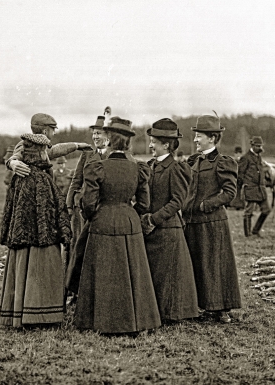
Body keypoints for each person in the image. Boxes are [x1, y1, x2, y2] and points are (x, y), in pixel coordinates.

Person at [0, 113, 90, 328]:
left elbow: (53, 150)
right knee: (40, 244)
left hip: (25, 200)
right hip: (35, 202)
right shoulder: (29, 148)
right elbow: (15, 155)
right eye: (53, 129)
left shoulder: (37, 148)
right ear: (45, 130)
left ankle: (22, 307)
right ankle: (37, 309)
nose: (54, 133)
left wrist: (77, 145)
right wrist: (12, 162)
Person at [74, 116, 161, 334]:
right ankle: (136, 320)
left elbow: (89, 203)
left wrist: (94, 215)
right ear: (128, 143)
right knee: (133, 271)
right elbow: (144, 203)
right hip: (129, 221)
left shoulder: (97, 167)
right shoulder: (138, 168)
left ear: (109, 141)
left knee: (104, 271)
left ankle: (101, 321)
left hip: (102, 220)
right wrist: (129, 213)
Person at [183, 113, 242, 323]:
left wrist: (204, 205)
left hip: (212, 222)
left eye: (199, 136)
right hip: (192, 223)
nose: (195, 139)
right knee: (198, 265)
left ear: (212, 138)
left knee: (214, 265)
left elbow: (229, 193)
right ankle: (204, 307)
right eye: (196, 135)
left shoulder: (223, 163)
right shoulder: (193, 161)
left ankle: (220, 310)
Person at [142, 118, 198, 322]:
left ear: (166, 144)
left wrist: (152, 220)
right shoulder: (150, 166)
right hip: (151, 229)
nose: (150, 145)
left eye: (153, 142)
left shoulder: (177, 169)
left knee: (168, 277)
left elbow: (177, 202)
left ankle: (170, 314)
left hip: (167, 231)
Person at [65, 115, 109, 296]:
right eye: (94, 133)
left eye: (99, 133)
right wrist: (69, 204)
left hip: (102, 210)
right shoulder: (87, 154)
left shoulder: (115, 155)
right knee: (78, 247)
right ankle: (75, 290)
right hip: (82, 210)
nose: (95, 137)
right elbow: (76, 180)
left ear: (109, 135)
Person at [238, 136, 270, 237]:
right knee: (249, 212)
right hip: (250, 188)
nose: (260, 147)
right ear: (252, 145)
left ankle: (256, 230)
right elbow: (240, 174)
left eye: (260, 145)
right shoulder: (245, 157)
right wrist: (244, 185)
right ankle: (248, 234)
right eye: (257, 146)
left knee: (266, 210)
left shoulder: (259, 157)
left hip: (261, 189)